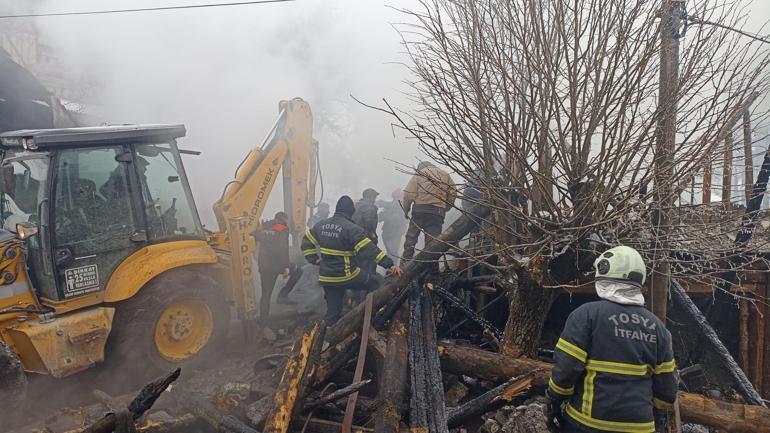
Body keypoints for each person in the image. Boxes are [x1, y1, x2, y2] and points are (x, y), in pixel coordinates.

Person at [544, 246, 678, 433]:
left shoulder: (586, 315)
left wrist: (553, 401)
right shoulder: (658, 328)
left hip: (588, 424)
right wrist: (655, 416)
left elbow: (566, 371)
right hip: (641, 427)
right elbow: (667, 391)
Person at [301, 196, 403, 324]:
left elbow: (306, 242)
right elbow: (370, 250)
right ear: (351, 211)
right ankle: (365, 316)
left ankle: (326, 339)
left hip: (327, 277)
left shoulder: (321, 225)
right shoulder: (351, 229)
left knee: (332, 314)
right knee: (375, 282)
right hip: (347, 275)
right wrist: (390, 265)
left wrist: (314, 259)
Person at [401, 161, 456, 268]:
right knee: (432, 243)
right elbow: (453, 193)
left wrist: (406, 211)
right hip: (437, 213)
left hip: (419, 211)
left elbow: (408, 194)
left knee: (411, 238)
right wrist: (446, 208)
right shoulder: (445, 175)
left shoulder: (419, 174)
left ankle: (404, 264)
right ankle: (431, 268)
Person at [254, 212, 291, 321]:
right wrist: (286, 266)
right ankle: (265, 321)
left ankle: (263, 320)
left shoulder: (263, 227)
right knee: (297, 271)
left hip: (263, 265)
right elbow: (283, 248)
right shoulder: (283, 228)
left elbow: (253, 236)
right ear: (284, 219)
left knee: (265, 294)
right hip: (274, 265)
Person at [353, 188, 380, 274]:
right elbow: (369, 223)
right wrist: (372, 234)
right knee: (370, 263)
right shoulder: (370, 208)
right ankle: (369, 283)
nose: (375, 200)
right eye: (374, 197)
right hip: (366, 238)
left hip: (355, 238)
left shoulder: (356, 206)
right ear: (370, 197)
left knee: (358, 263)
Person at [379, 189, 408, 260]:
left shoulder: (398, 205)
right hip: (390, 232)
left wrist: (381, 203)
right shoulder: (392, 206)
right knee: (392, 251)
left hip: (394, 232)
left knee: (392, 251)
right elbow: (380, 218)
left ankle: (392, 268)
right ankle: (391, 267)